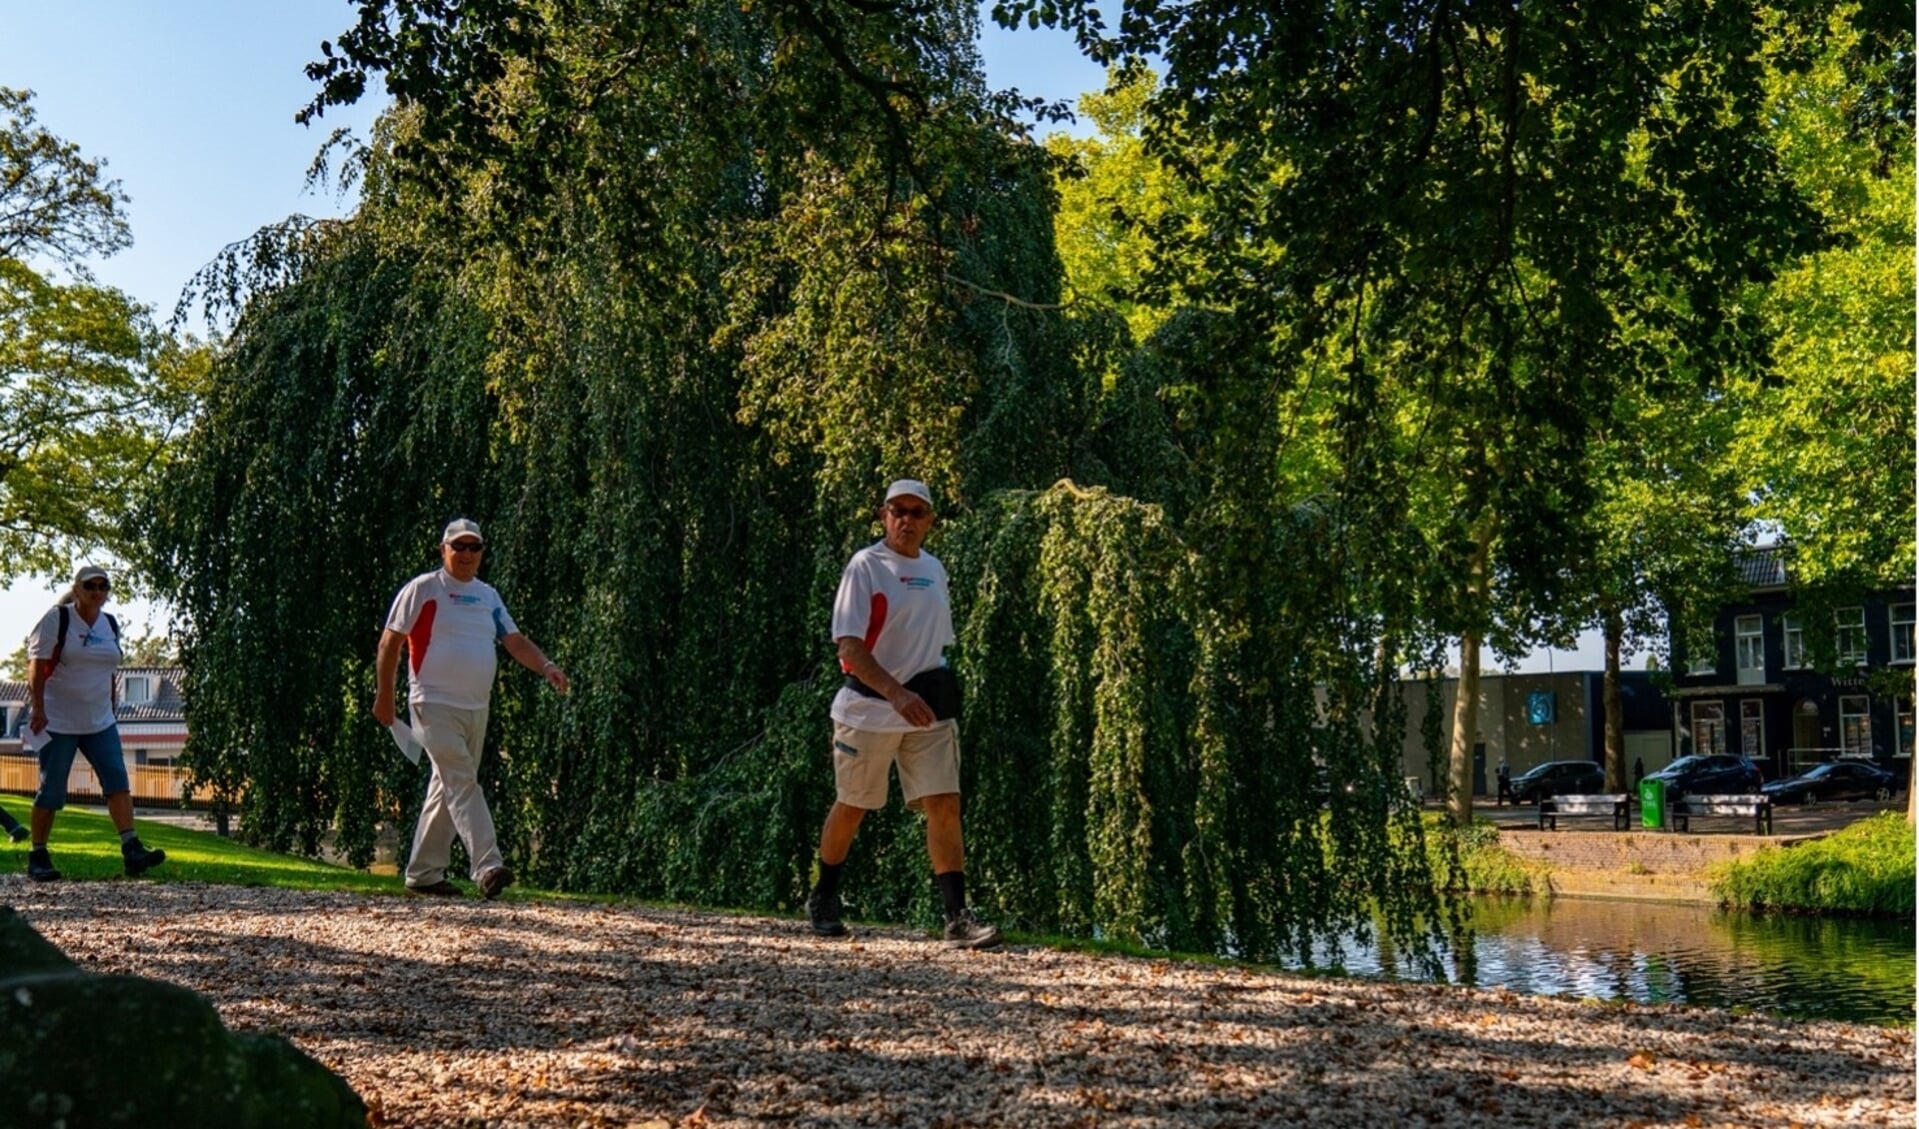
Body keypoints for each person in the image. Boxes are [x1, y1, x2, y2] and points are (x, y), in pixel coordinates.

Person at [803, 480, 1001, 949]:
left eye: (916, 512)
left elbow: (933, 643)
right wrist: (896, 693)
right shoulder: (866, 567)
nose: (906, 520)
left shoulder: (934, 569)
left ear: (930, 521)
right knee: (854, 805)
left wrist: (938, 688)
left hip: (928, 710)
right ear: (883, 514)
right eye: (898, 511)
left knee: (945, 803)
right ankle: (824, 895)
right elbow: (849, 647)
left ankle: (956, 917)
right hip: (870, 708)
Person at [372, 519, 569, 899]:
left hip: (476, 708)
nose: (465, 554)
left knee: (447, 786)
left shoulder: (488, 596)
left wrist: (546, 666)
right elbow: (389, 643)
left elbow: (514, 641)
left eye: (473, 547)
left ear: (481, 552)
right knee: (462, 782)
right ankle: (488, 865)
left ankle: (424, 873)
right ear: (443, 549)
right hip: (431, 703)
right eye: (458, 547)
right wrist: (385, 696)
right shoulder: (423, 589)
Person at [23, 565, 166, 882]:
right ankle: (38, 855)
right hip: (58, 720)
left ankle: (132, 849)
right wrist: (38, 708)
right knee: (51, 791)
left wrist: (111, 708)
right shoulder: (57, 619)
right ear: (77, 590)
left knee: (117, 782)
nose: (98, 591)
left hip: (100, 721)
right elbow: (36, 666)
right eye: (91, 586)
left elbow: (108, 669)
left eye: (104, 586)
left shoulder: (109, 624)